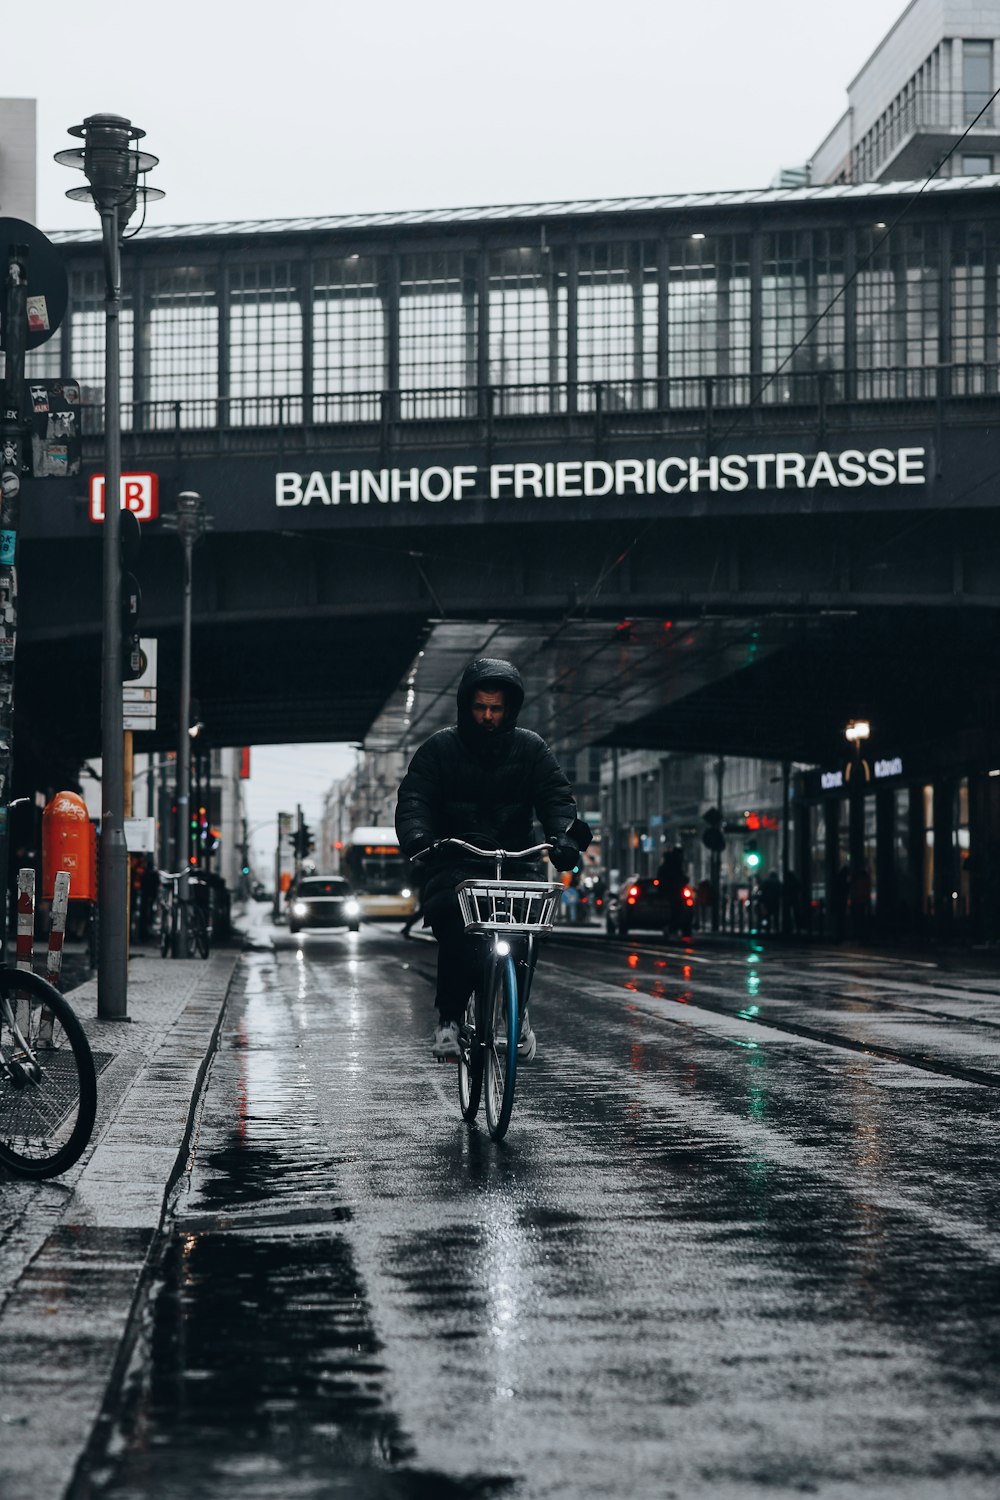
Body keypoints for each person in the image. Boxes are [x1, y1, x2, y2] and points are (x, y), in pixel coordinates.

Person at [395, 657, 590, 1060]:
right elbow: (415, 798)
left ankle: (516, 1014)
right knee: (453, 930)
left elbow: (556, 798)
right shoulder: (439, 749)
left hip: (517, 861)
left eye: (496, 708)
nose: (487, 715)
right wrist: (419, 837)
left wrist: (564, 838)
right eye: (480, 707)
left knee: (524, 938)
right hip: (455, 860)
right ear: (467, 705)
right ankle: (449, 1021)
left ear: (510, 708)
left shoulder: (532, 749)